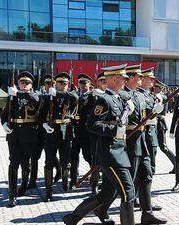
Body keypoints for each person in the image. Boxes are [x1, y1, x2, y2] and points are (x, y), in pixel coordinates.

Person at [63, 64, 136, 225]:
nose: (125, 80)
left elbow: (128, 100)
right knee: (128, 192)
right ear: (113, 78)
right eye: (122, 78)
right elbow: (92, 125)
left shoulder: (118, 98)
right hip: (110, 154)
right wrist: (113, 130)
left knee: (106, 195)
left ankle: (71, 219)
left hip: (118, 151)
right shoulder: (104, 99)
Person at [121, 64, 166, 224]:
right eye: (139, 76)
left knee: (146, 175)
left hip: (143, 141)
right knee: (130, 180)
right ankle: (116, 212)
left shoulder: (139, 95)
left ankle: (147, 213)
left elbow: (148, 111)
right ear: (132, 77)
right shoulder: (122, 95)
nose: (141, 79)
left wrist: (156, 109)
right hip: (130, 142)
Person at [0, 71, 41, 207]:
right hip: (14, 133)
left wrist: (16, 93)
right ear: (18, 84)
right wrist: (4, 123)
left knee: (25, 163)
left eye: (27, 83)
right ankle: (12, 194)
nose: (24, 85)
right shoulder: (12, 97)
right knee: (13, 163)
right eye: (22, 83)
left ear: (31, 85)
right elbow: (4, 113)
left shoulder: (35, 95)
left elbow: (34, 100)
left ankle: (24, 184)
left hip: (29, 134)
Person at [39, 72, 78, 201]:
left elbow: (75, 98)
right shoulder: (48, 97)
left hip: (66, 131)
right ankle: (48, 191)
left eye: (65, 83)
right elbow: (40, 115)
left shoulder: (70, 96)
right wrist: (44, 124)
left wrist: (57, 93)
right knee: (49, 162)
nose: (63, 85)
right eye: (60, 83)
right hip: (51, 132)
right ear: (56, 84)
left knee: (65, 161)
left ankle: (65, 183)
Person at [27, 74, 62, 190]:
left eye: (52, 84)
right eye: (48, 84)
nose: (50, 86)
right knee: (34, 156)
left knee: (51, 156)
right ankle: (32, 180)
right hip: (39, 131)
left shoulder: (58, 96)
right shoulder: (39, 96)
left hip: (51, 131)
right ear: (44, 85)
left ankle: (59, 171)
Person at [70, 73, 94, 190]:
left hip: (86, 131)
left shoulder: (92, 96)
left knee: (88, 156)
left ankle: (94, 178)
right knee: (73, 157)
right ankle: (73, 180)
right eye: (81, 83)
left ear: (89, 84)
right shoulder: (74, 95)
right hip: (74, 129)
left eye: (85, 83)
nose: (83, 85)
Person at [138, 68, 164, 175]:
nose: (152, 81)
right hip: (144, 131)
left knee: (152, 159)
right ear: (143, 79)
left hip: (152, 130)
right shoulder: (139, 94)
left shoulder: (150, 95)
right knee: (145, 164)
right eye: (150, 79)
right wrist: (154, 111)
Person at [153, 80, 176, 174]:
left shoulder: (160, 96)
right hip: (157, 122)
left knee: (163, 146)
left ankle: (176, 164)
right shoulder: (160, 96)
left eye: (156, 87)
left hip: (159, 123)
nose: (154, 89)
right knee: (153, 147)